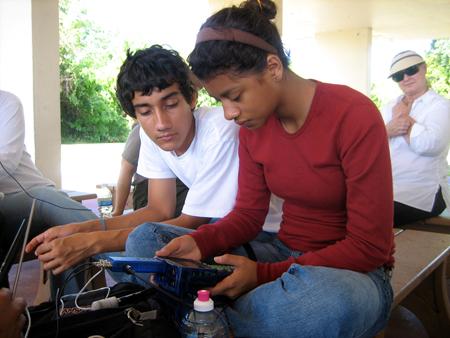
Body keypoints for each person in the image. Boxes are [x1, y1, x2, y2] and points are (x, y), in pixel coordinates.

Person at [127, 1, 395, 337]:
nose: (229, 113)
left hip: (350, 274)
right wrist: (202, 243)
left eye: (234, 96)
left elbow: (370, 247)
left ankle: (199, 319)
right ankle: (217, 319)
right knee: (146, 239)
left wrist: (264, 275)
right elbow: (247, 216)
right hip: (278, 250)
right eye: (220, 100)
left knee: (325, 303)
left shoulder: (353, 115)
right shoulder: (253, 127)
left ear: (272, 67)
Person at [26, 45, 282, 277]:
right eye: (146, 111)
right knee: (123, 253)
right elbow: (159, 210)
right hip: (212, 232)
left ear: (191, 98)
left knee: (141, 242)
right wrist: (82, 229)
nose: (161, 124)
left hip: (261, 235)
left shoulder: (220, 131)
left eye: (170, 104)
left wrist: (92, 240)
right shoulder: (150, 137)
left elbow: (194, 222)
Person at [0, 90, 97, 296]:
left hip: (24, 198)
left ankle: (69, 310)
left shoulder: (6, 103)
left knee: (51, 205)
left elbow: (6, 160)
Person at [381, 50, 450, 226]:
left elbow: (430, 145)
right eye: (398, 76)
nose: (406, 77)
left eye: (411, 70)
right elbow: (368, 143)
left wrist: (405, 121)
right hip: (388, 189)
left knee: (366, 217)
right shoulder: (390, 106)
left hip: (423, 194)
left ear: (424, 68)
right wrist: (387, 131)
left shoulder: (440, 106)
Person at [111, 123, 188, 216]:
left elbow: (126, 170)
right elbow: (126, 170)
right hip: (148, 191)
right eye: (144, 112)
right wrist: (117, 212)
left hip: (179, 188)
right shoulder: (141, 130)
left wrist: (117, 213)